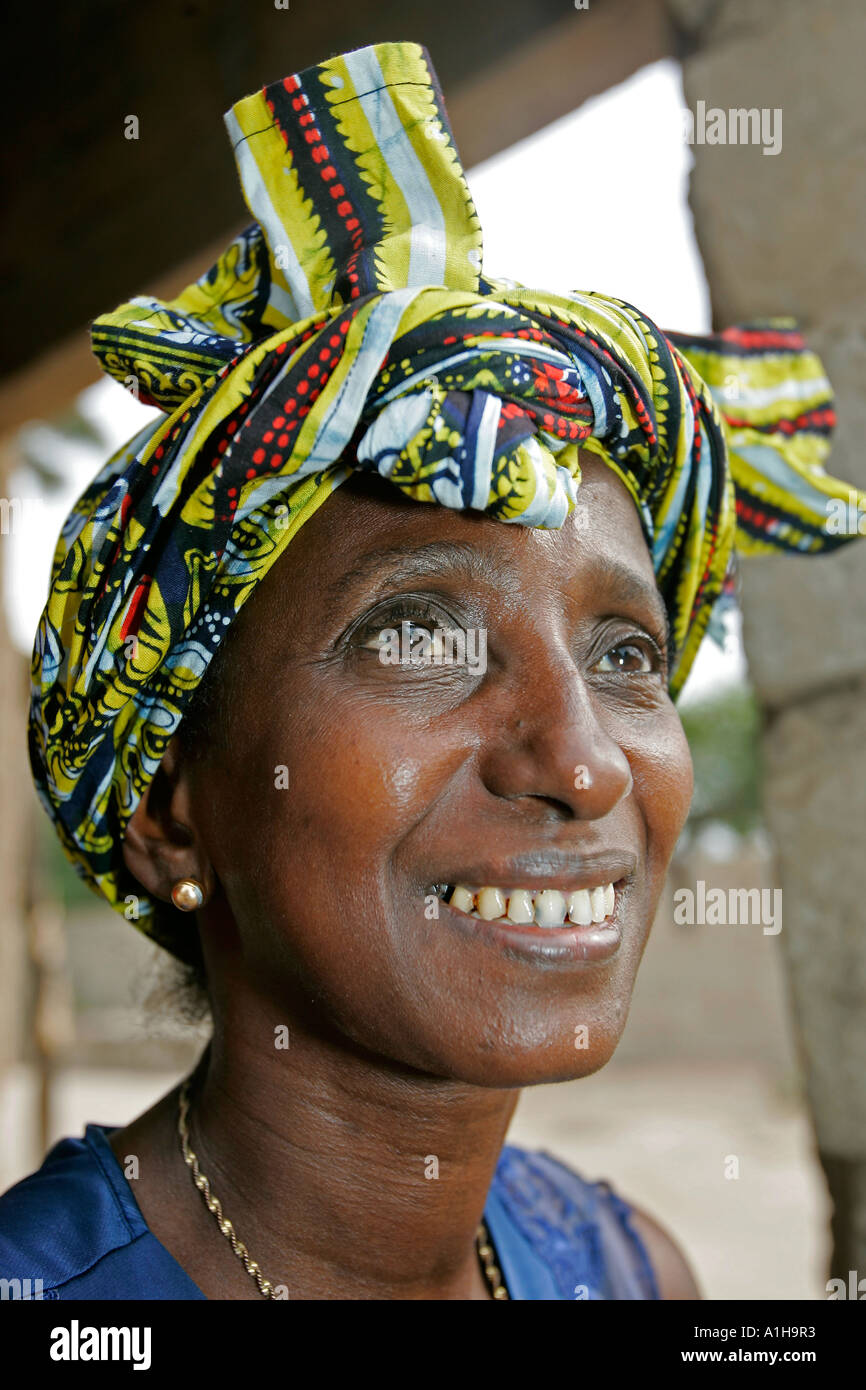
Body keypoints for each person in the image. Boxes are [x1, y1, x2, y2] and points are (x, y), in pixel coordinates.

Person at [2, 40, 861, 1301]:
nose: (582, 764)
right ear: (168, 809)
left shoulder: (632, 1272)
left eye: (624, 653)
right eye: (415, 637)